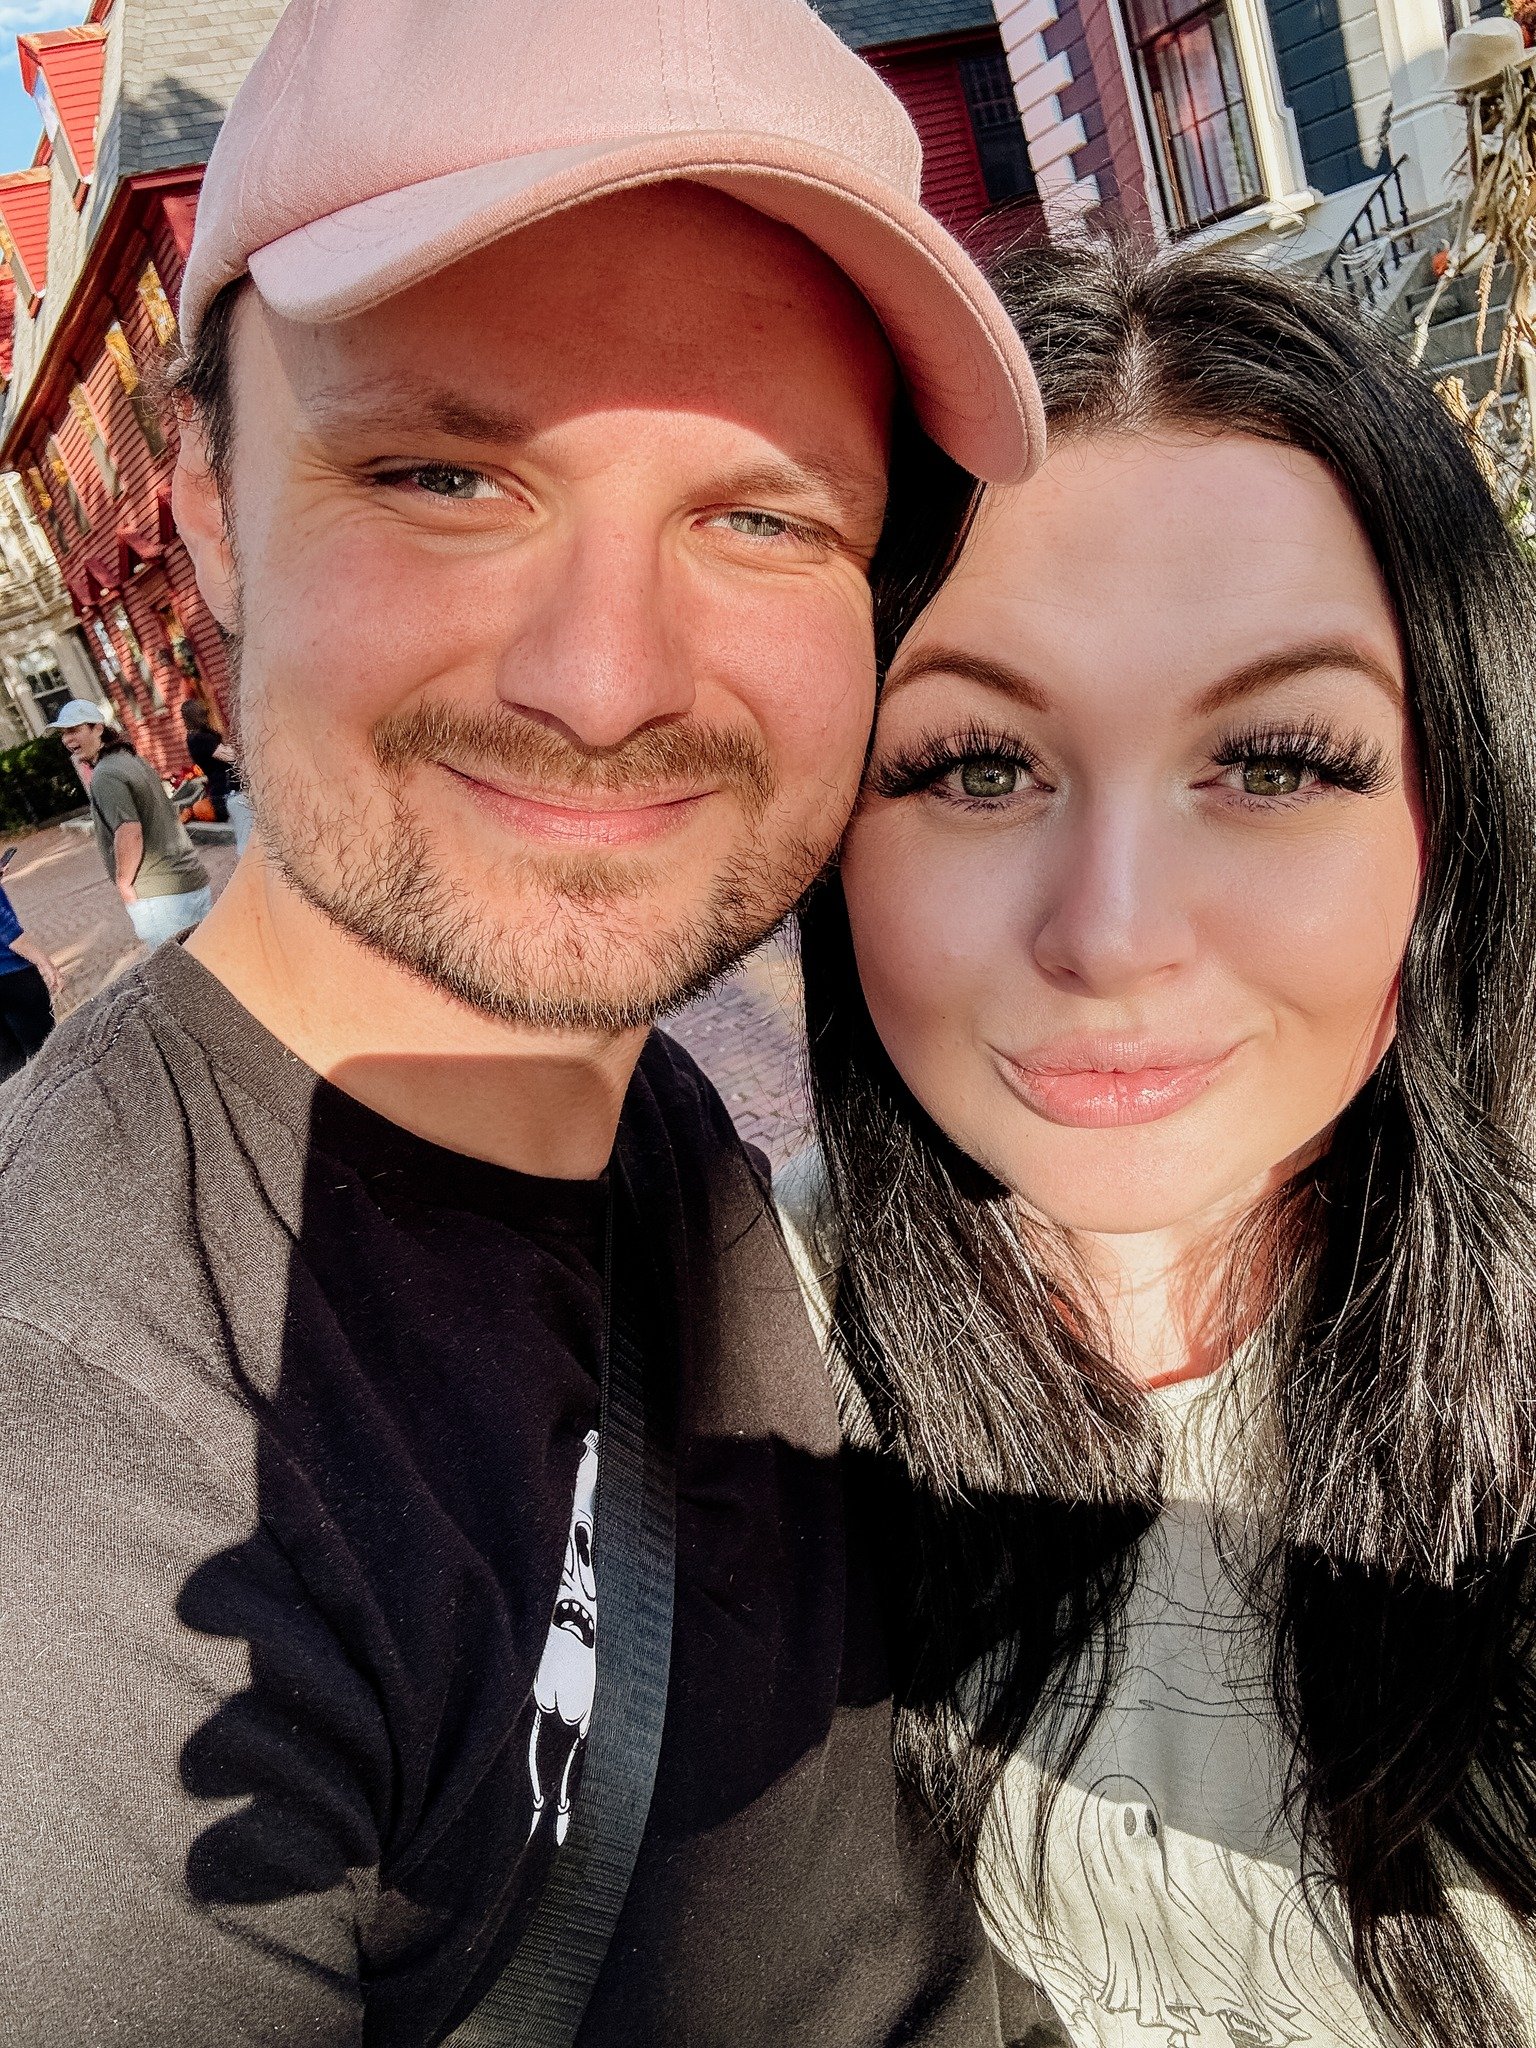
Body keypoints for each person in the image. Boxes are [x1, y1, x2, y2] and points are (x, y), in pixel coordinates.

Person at [0, 0, 1043, 2042]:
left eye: (763, 514)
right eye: (446, 473)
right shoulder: (90, 1502)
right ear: (207, 503)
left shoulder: (648, 1120)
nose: (604, 677)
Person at [789, 238, 1536, 2048]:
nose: (1112, 935)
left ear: (1453, 809)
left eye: (1274, 762)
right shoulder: (688, 1403)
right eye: (975, 765)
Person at [52, 698, 214, 945]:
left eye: (74, 730)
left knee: (176, 967)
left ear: (98, 728)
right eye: (63, 733)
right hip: (190, 879)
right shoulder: (132, 759)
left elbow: (129, 831)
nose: (67, 739)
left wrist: (124, 883)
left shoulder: (106, 774)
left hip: (159, 894)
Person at [0, 873, 59, 1081]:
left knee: (7, 1069)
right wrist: (43, 961)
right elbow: (5, 929)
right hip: (13, 976)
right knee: (46, 1055)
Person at [180, 691, 254, 854]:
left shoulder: (197, 737)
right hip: (229, 792)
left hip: (225, 791)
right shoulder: (200, 739)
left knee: (249, 835)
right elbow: (231, 756)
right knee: (247, 839)